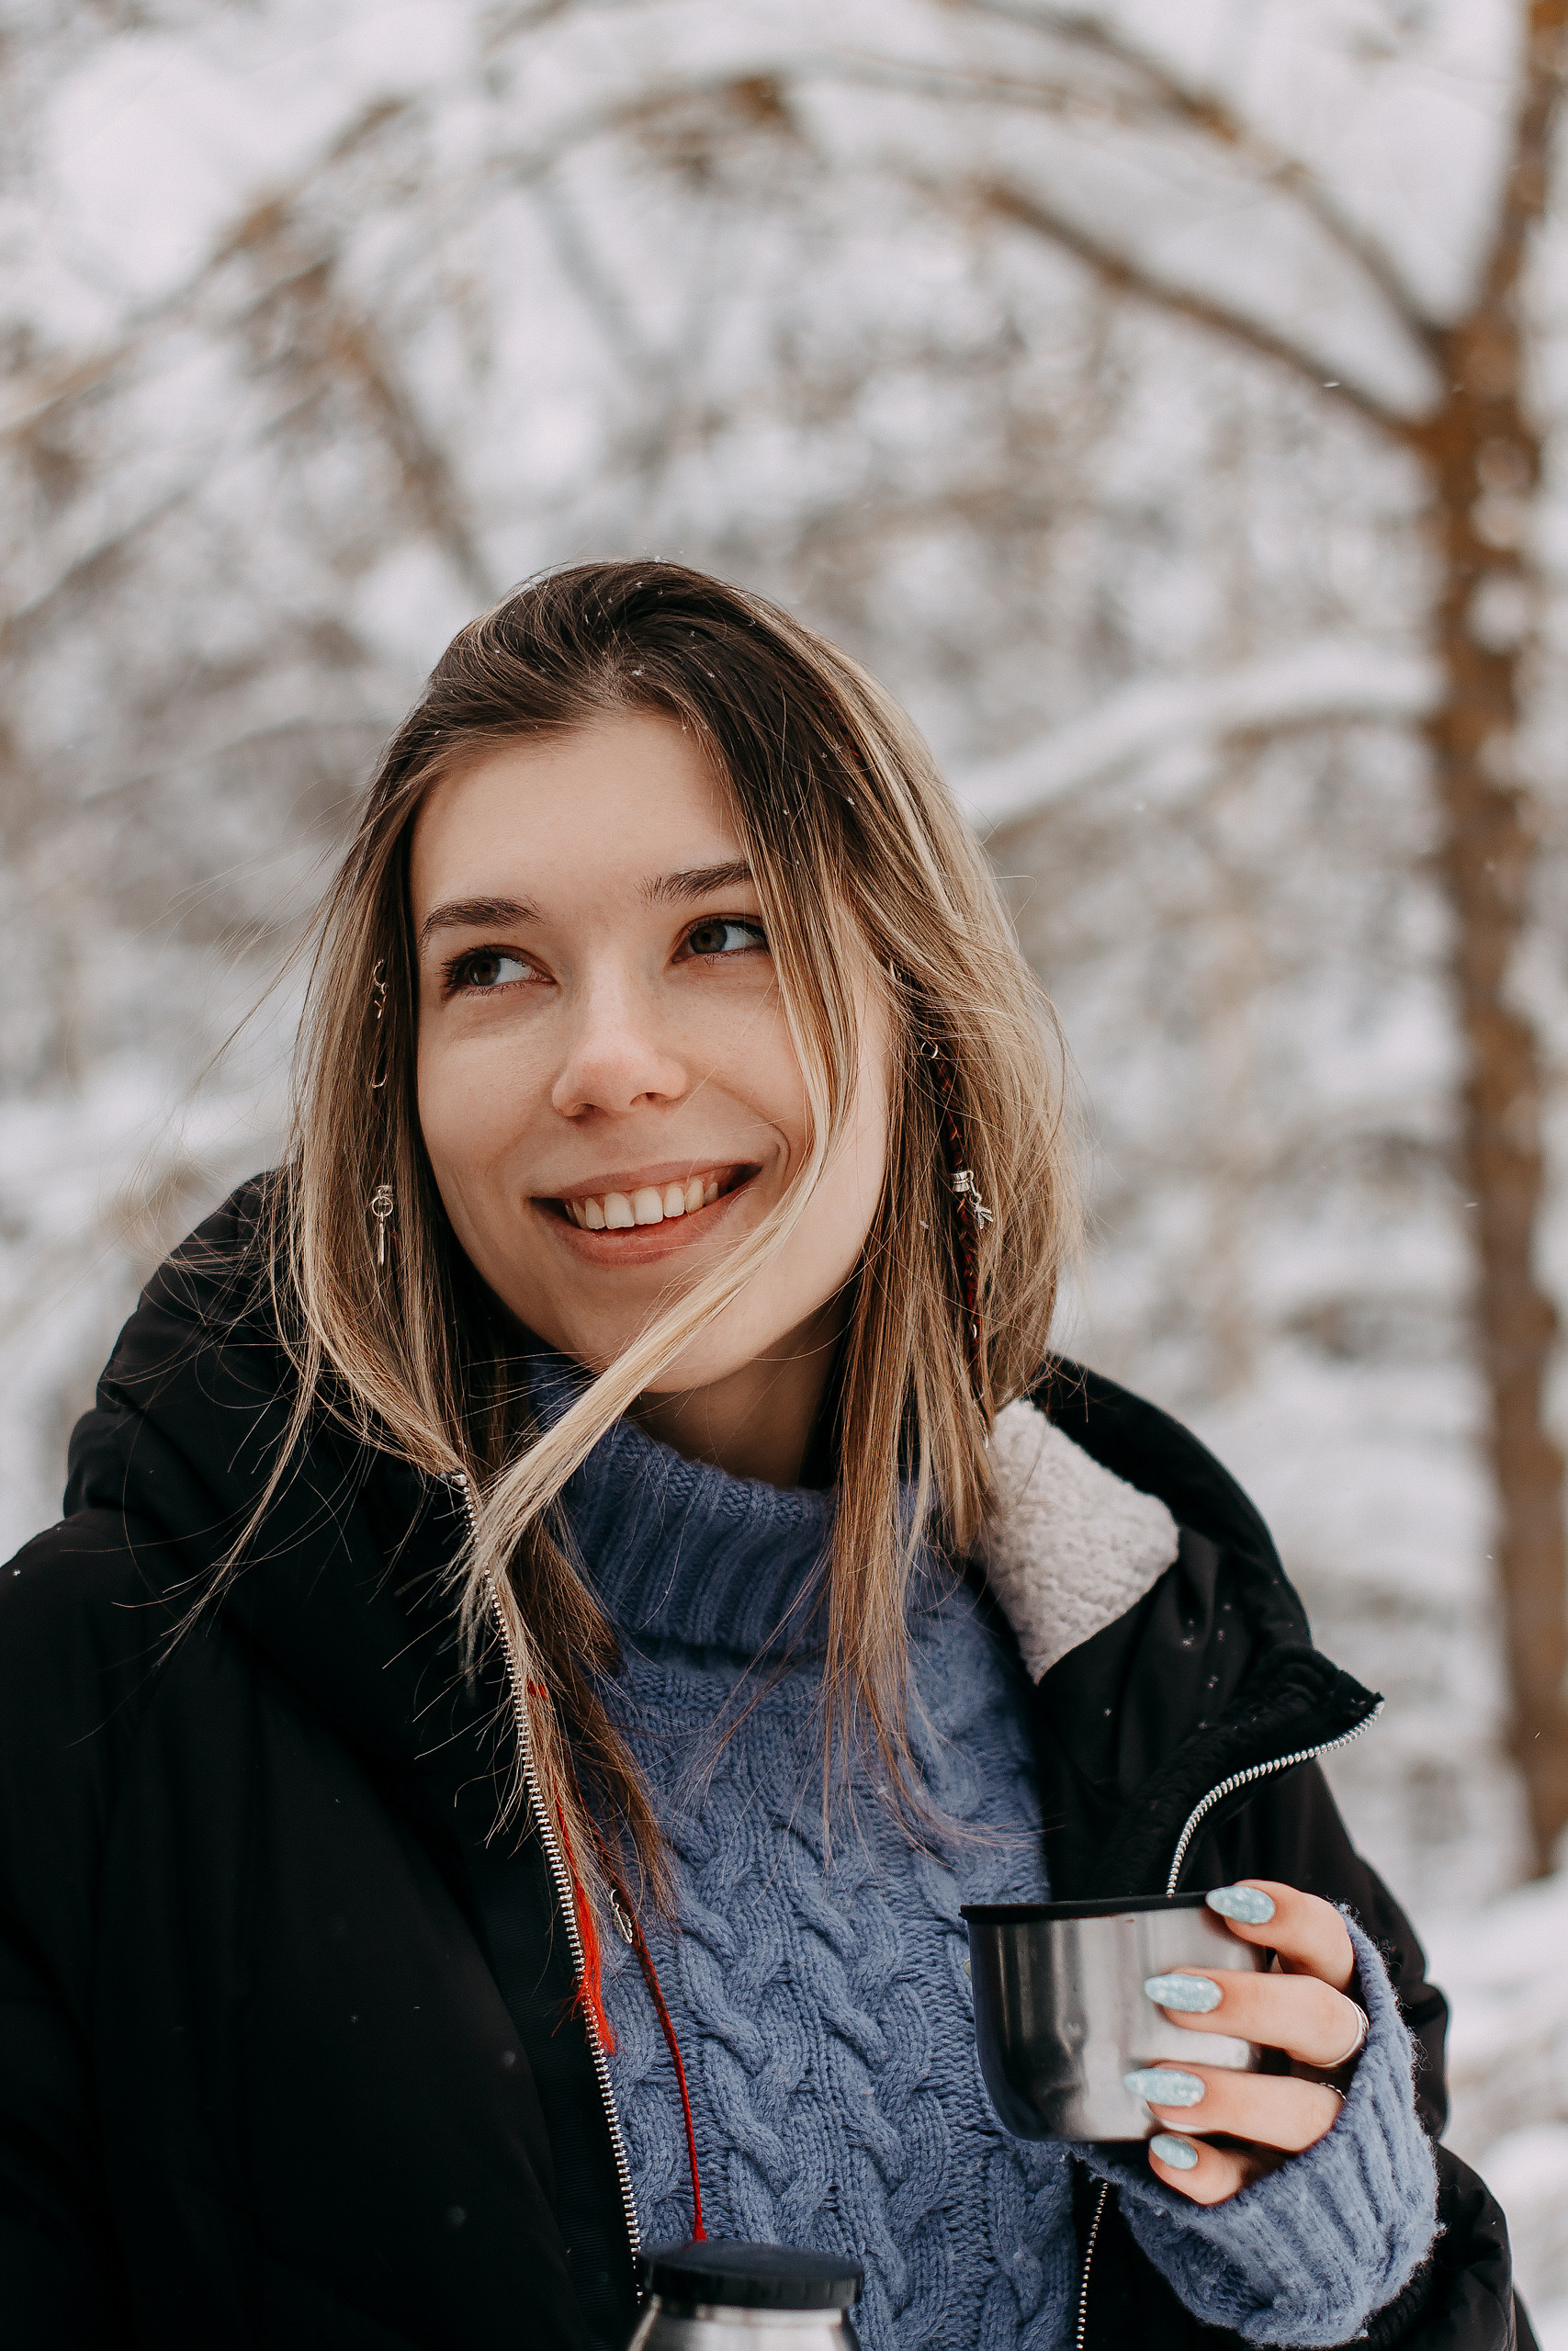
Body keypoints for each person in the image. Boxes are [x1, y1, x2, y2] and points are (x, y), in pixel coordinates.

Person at [0, 561, 1518, 2351]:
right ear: (397, 1072)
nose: (607, 1057)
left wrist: (1341, 2258)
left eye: (722, 933)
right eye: (493, 965)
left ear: (911, 1001)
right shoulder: (104, 1697)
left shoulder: (1140, 1665)